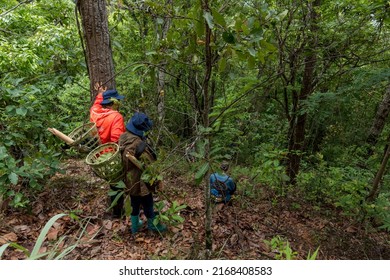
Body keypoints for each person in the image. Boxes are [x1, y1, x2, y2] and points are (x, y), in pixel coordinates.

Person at [119, 112, 167, 234]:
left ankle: (135, 227)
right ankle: (153, 226)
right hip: (141, 181)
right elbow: (149, 164)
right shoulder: (138, 144)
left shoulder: (123, 138)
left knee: (134, 203)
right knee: (148, 203)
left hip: (129, 180)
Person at [89, 85, 126, 218]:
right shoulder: (116, 117)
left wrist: (100, 94)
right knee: (118, 184)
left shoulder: (95, 113)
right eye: (117, 101)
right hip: (112, 156)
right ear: (113, 103)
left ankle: (117, 212)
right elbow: (117, 139)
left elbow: (95, 106)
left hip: (99, 156)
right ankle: (118, 214)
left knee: (113, 184)